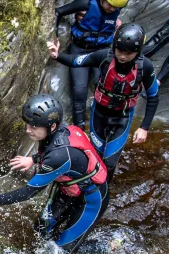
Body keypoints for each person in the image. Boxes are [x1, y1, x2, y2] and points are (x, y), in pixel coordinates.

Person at [0, 94, 109, 254]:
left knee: (62, 252)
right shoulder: (58, 130)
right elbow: (52, 150)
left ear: (52, 126)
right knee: (40, 229)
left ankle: (109, 245)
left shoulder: (59, 155)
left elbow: (29, 192)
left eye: (33, 127)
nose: (27, 130)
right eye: (28, 124)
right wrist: (33, 159)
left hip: (91, 199)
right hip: (67, 191)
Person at [47, 23, 160, 183]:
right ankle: (90, 188)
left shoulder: (145, 67)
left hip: (122, 117)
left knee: (110, 163)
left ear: (138, 51)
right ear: (114, 46)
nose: (123, 56)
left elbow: (153, 96)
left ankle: (103, 192)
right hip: (99, 114)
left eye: (129, 53)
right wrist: (57, 56)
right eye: (120, 50)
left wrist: (144, 127)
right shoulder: (104, 57)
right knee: (95, 157)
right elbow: (77, 61)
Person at [55, 0, 127, 130]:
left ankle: (104, 125)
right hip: (80, 49)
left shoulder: (116, 8)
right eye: (110, 5)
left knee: (104, 86)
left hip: (102, 50)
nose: (111, 9)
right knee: (79, 90)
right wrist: (56, 37)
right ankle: (79, 128)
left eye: (115, 7)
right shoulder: (86, 4)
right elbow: (59, 12)